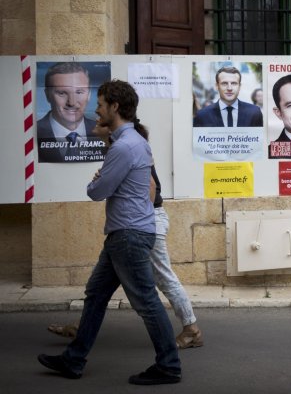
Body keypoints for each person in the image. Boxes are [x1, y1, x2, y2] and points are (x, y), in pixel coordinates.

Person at [38, 80, 182, 385]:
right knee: (96, 295)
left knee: (146, 302)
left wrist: (98, 180)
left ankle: (169, 365)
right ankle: (73, 360)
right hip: (126, 233)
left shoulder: (125, 146)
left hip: (128, 234)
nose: (96, 109)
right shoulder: (133, 142)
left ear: (115, 107)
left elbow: (97, 191)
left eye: (101, 104)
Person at [47, 123, 204, 350]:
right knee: (98, 287)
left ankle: (191, 331)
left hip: (146, 222)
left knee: (162, 278)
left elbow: (150, 188)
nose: (96, 121)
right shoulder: (121, 150)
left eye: (101, 119)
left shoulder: (127, 148)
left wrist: (142, 220)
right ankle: (82, 329)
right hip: (132, 226)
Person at [37, 62, 101, 163]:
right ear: (47, 95)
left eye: (79, 92)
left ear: (88, 94)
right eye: (62, 93)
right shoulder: (32, 133)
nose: (72, 102)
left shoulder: (104, 132)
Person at [193, 66, 264, 127]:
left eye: (234, 83)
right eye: (224, 83)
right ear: (217, 86)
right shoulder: (202, 115)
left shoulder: (254, 112)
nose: (229, 88)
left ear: (239, 86)